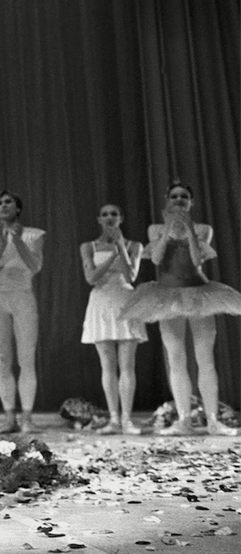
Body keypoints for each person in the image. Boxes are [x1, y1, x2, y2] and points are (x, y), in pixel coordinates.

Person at [119, 181, 241, 436]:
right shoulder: (155, 229)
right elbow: (156, 258)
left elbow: (197, 260)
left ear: (191, 202)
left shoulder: (203, 229)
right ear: (167, 200)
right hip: (167, 296)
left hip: (199, 294)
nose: (178, 200)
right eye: (174, 196)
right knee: (175, 358)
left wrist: (188, 229)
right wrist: (168, 229)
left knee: (205, 358)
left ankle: (212, 420)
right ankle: (184, 420)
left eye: (183, 196)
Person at [0, 190, 45, 434]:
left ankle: (27, 418)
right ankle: (9, 417)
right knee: (2, 359)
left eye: (9, 202)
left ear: (18, 208)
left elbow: (35, 265)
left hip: (23, 296)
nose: (4, 205)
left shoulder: (35, 235)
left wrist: (17, 242)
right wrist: (2, 246)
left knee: (26, 357)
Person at [79, 203, 145, 435]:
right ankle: (114, 419)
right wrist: (112, 257)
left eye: (114, 214)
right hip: (101, 302)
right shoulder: (88, 246)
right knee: (107, 365)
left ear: (121, 218)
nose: (109, 217)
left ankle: (127, 419)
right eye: (105, 214)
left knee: (127, 365)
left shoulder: (134, 246)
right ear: (99, 219)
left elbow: (131, 275)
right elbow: (91, 278)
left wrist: (120, 247)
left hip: (125, 300)